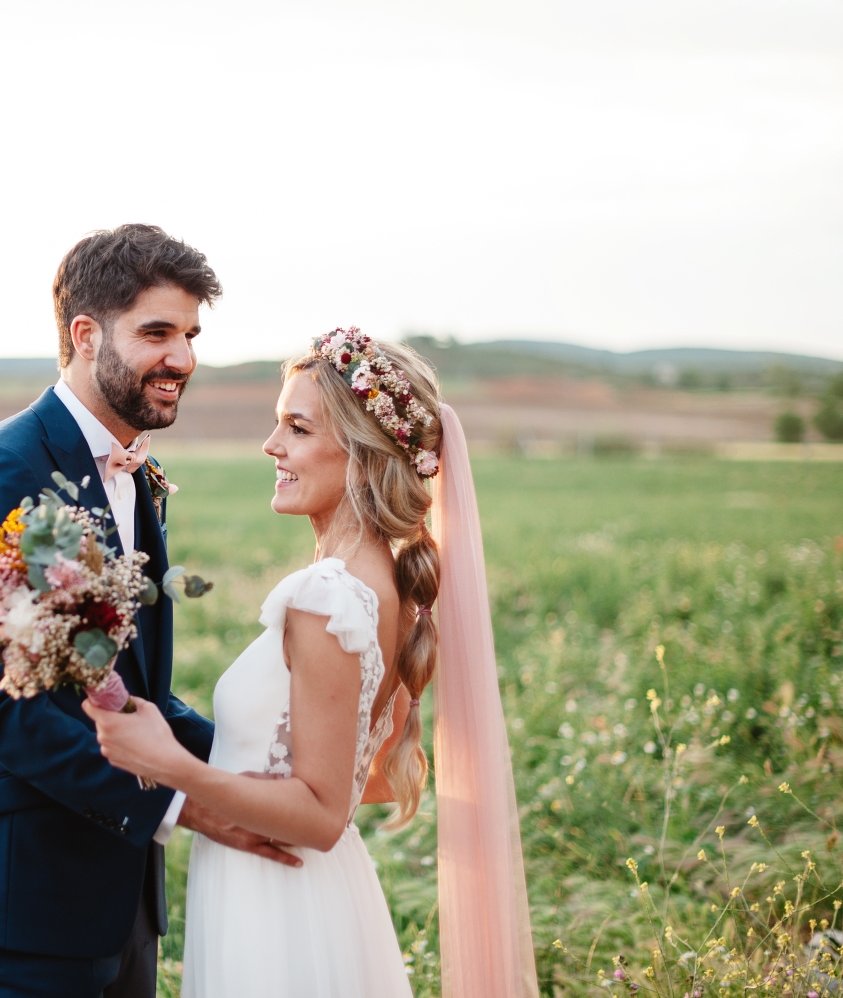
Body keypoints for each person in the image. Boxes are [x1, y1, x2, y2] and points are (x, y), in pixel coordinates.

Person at [0, 224, 300, 998]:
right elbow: (3, 710)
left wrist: (261, 776)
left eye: (190, 333)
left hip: (124, 890)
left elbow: (129, 687)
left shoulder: (135, 471)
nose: (182, 358)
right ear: (86, 335)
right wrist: (188, 806)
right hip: (28, 889)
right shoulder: (1, 472)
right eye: (157, 332)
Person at [87, 330, 540, 998]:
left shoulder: (327, 597)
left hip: (279, 908)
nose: (272, 447)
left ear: (363, 455)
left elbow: (324, 814)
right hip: (296, 892)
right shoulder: (379, 582)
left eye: (296, 428)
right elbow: (368, 781)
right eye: (278, 425)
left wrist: (169, 765)